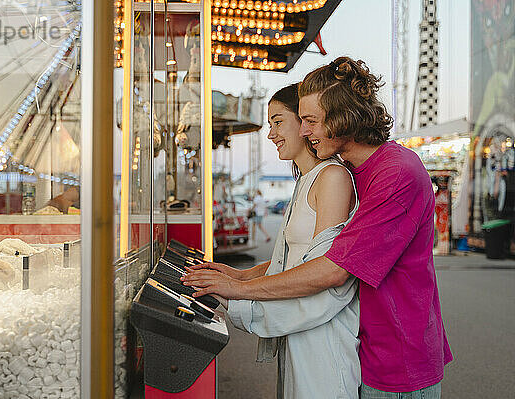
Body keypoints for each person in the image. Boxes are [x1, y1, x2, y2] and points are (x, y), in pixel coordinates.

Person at [182, 57, 452, 398]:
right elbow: (304, 259)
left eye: (310, 120)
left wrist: (237, 292)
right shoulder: (355, 171)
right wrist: (239, 277)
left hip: (398, 359)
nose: (304, 131)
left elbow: (332, 271)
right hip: (368, 346)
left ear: (342, 118)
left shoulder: (395, 173)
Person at [204, 83, 360, 399]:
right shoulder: (306, 180)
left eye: (278, 121)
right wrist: (233, 274)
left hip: (323, 339)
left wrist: (237, 292)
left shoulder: (332, 177)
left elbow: (326, 276)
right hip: (301, 333)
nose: (271, 133)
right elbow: (288, 261)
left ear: (304, 123)